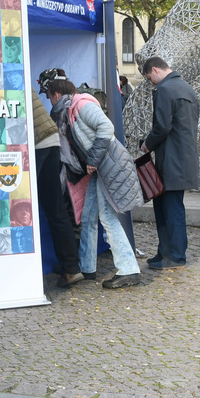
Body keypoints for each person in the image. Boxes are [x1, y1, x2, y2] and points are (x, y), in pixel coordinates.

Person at [40, 68, 142, 289]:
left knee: (107, 217)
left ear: (55, 93)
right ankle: (86, 268)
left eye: (48, 95)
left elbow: (106, 128)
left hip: (108, 165)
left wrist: (93, 161)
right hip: (101, 168)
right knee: (88, 217)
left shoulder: (81, 104)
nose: (48, 100)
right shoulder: (69, 108)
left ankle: (129, 269)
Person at [140, 56, 200, 270]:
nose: (151, 83)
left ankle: (174, 255)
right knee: (167, 207)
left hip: (171, 160)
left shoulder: (165, 89)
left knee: (170, 209)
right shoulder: (186, 88)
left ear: (155, 70)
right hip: (183, 159)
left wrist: (147, 144)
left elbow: (162, 127)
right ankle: (164, 252)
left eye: (150, 79)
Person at [31, 84, 83, 287]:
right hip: (50, 139)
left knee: (23, 205)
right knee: (56, 209)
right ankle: (71, 268)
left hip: (36, 141)